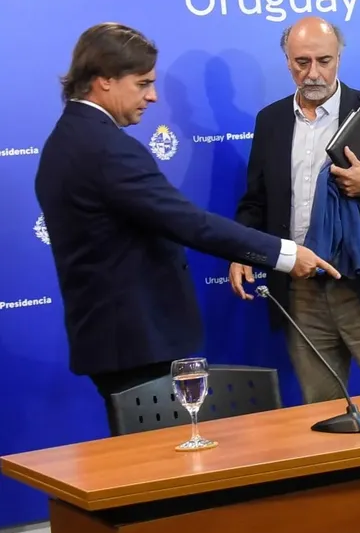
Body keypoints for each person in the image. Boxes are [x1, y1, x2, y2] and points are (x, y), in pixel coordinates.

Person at [35, 22, 337, 432]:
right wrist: (285, 254)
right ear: (104, 80)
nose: (152, 96)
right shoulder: (104, 148)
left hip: (119, 339)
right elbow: (188, 223)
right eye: (143, 84)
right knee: (165, 461)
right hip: (137, 340)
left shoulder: (69, 138)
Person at [229, 16, 360, 403]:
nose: (313, 73)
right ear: (287, 61)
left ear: (339, 58)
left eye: (324, 61)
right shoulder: (270, 121)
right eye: (302, 62)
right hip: (302, 290)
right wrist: (241, 250)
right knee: (321, 414)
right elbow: (256, 200)